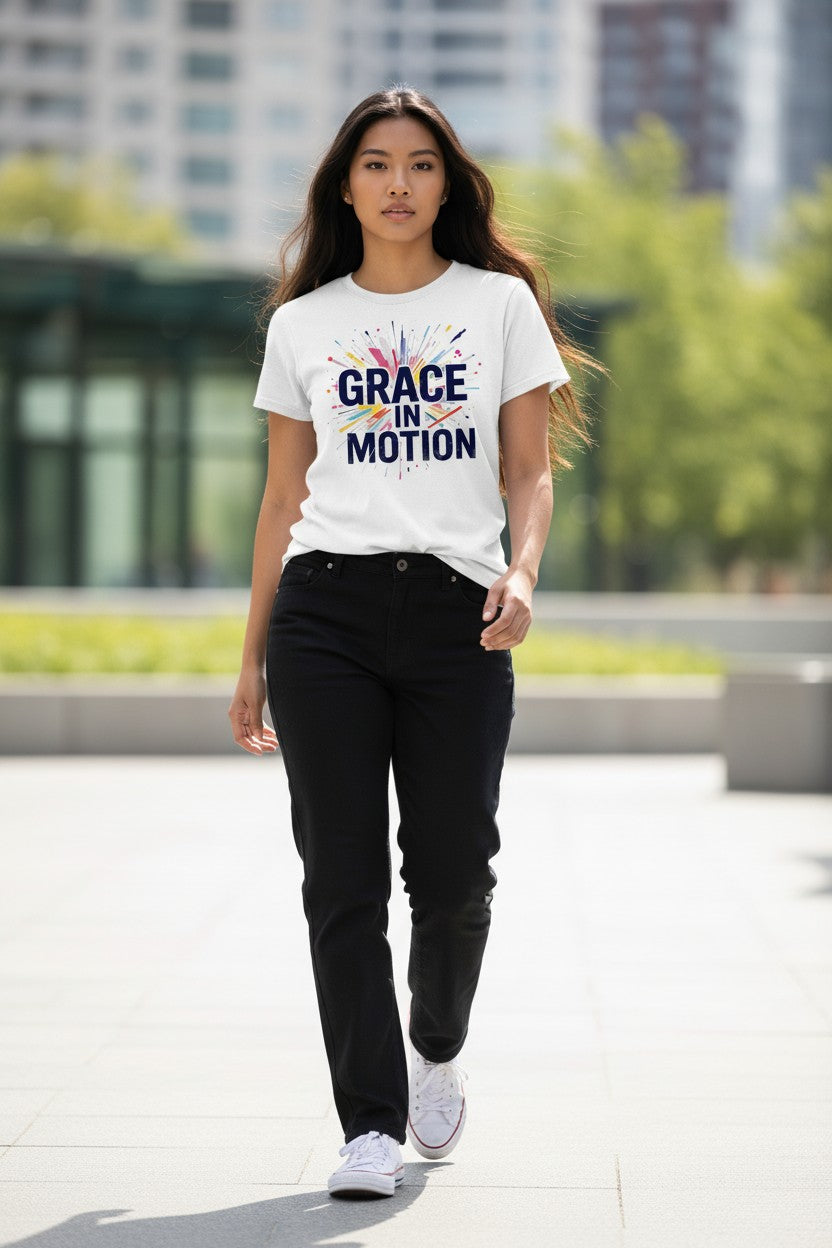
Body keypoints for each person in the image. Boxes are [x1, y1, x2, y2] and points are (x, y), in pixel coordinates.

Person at [229, 85, 598, 1199]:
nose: (399, 184)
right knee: (338, 881)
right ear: (345, 184)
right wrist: (250, 659)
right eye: (378, 164)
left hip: (456, 616)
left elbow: (527, 469)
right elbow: (283, 496)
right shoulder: (303, 325)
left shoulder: (495, 307)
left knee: (450, 877)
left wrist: (521, 571)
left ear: (449, 183)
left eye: (422, 164)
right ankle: (370, 1125)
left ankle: (435, 1042)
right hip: (324, 614)